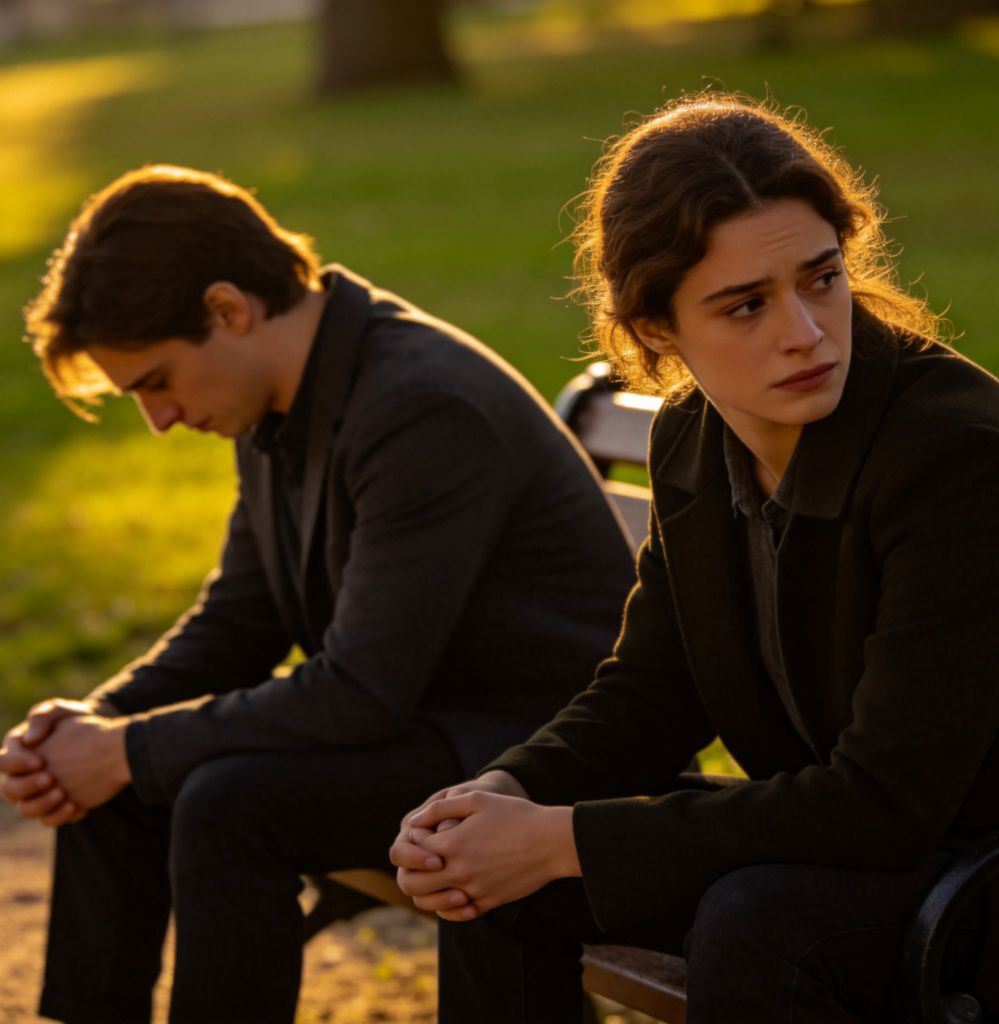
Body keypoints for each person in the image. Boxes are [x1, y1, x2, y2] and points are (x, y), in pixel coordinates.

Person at [390, 91, 999, 1023]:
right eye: (745, 306)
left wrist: (563, 837)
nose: (805, 331)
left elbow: (887, 802)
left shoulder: (960, 460)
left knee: (758, 920)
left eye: (822, 278)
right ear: (656, 332)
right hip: (853, 846)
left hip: (987, 876)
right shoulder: (694, 437)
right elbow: (652, 688)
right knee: (491, 879)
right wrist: (502, 797)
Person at [0, 165, 638, 1024]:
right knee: (123, 780)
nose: (158, 418)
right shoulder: (280, 399)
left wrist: (123, 750)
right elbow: (238, 618)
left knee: (226, 802)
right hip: (428, 724)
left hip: (534, 750)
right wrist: (90, 731)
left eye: (155, 381)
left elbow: (359, 693)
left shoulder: (420, 405)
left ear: (228, 311)